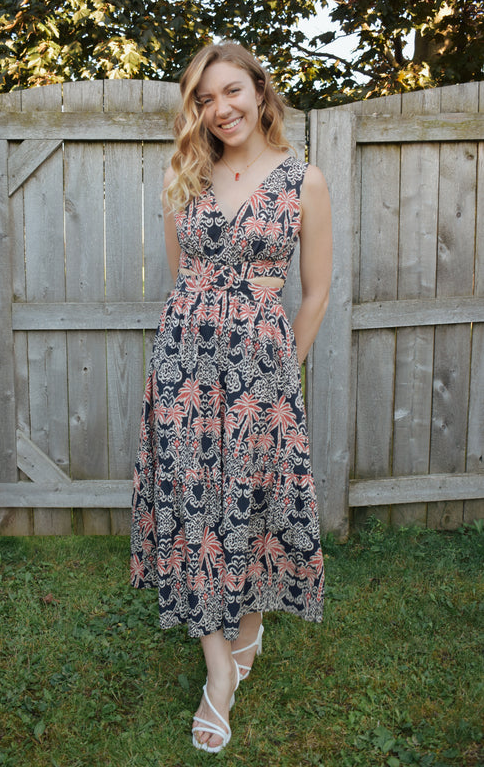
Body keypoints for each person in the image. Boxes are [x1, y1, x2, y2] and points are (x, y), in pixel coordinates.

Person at [130, 41, 332, 753]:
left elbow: (315, 292)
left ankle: (249, 626)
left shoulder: (303, 179)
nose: (221, 109)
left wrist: (279, 376)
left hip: (261, 377)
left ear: (258, 91)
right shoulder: (184, 175)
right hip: (185, 366)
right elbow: (183, 278)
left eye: (231, 92)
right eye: (205, 99)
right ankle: (218, 669)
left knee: (249, 500)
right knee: (194, 507)